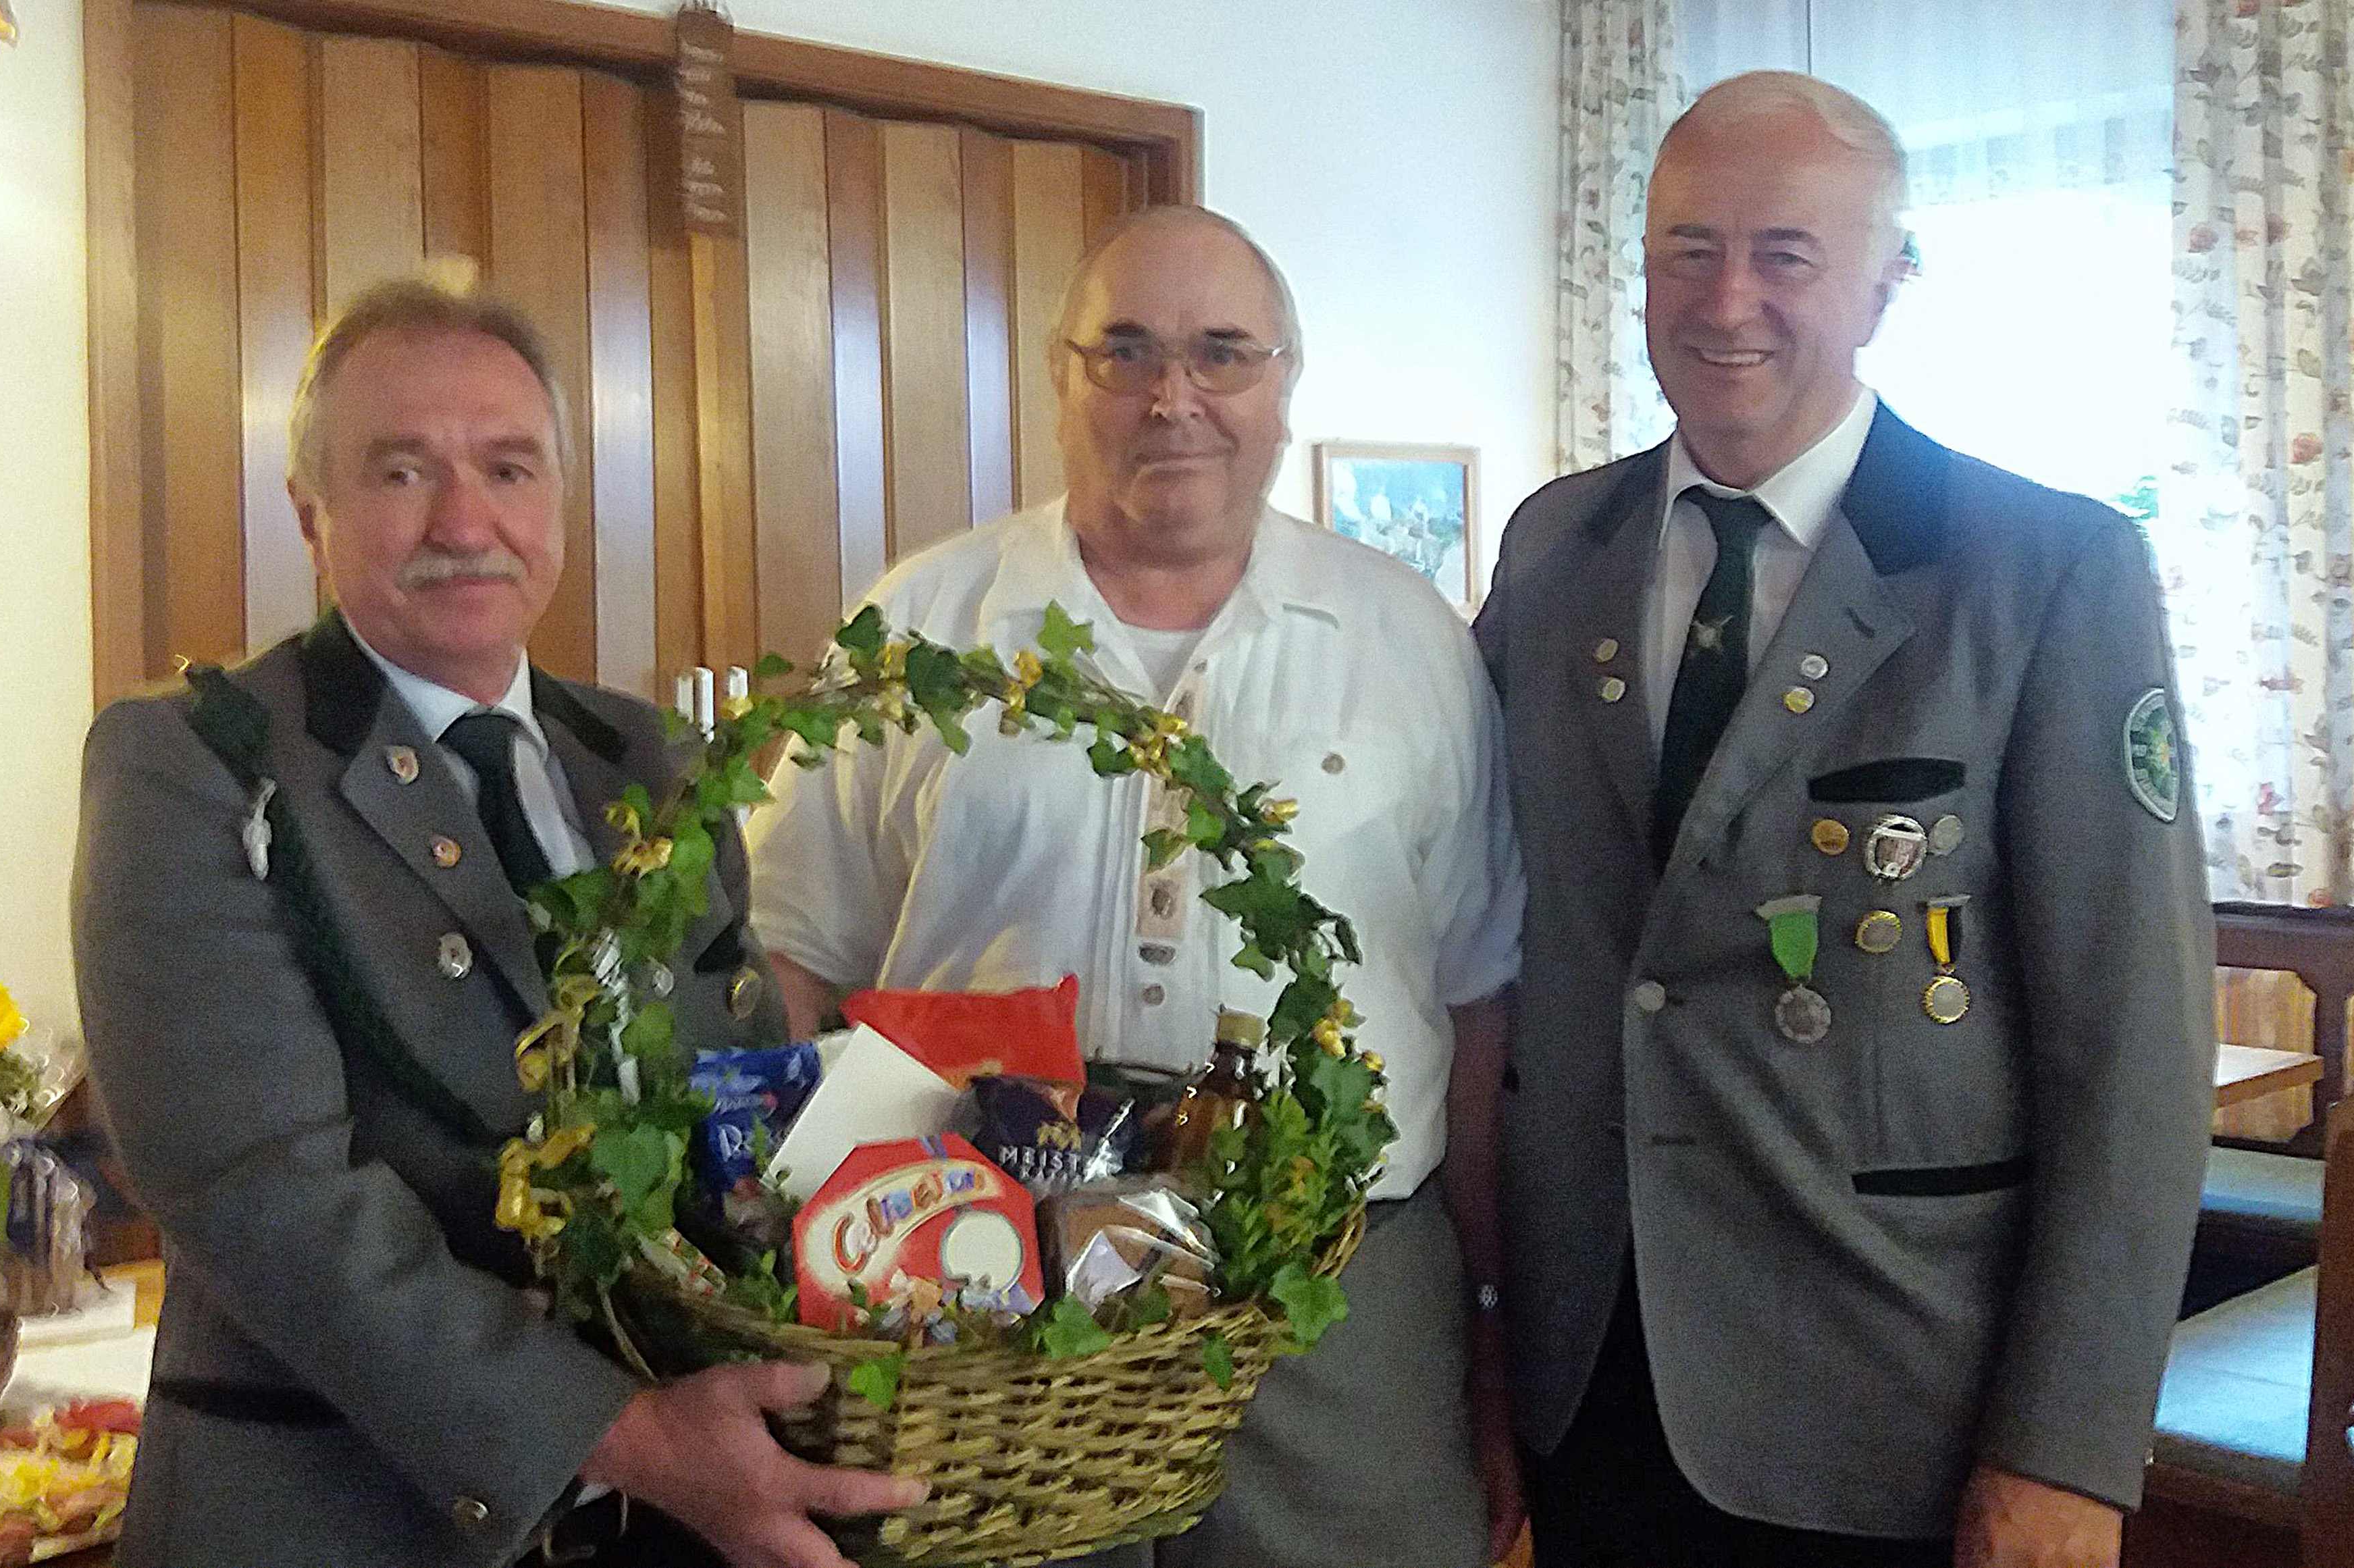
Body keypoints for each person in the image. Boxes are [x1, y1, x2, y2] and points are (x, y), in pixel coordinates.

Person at [1475, 72, 2216, 1568]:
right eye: (1689, 249)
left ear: (1889, 280)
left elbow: (2135, 1046)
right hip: (1590, 1372)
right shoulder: (1556, 547)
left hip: (1888, 1395)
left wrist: (2066, 1449)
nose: (1726, 300)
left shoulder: (2045, 569)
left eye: (1786, 255)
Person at [71, 278, 922, 1568]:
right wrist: (623, 1433)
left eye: (509, 469)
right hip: (341, 1520)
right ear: (311, 514)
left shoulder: (652, 760)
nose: (465, 522)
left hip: (666, 1526)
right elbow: (259, 1191)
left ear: (559, 504)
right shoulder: (197, 764)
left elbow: (737, 1116)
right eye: (402, 471)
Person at [742, 206, 1527, 1568]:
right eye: (1127, 351)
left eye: (1223, 352)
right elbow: (791, 954)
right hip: (972, 1288)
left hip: (1339, 1303)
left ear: (1283, 383)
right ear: (1060, 377)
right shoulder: (920, 626)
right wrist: (795, 1262)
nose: (1175, 397)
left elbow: (1476, 1006)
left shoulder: (1410, 642)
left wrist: (1488, 1319)